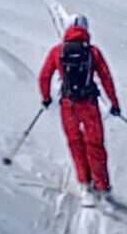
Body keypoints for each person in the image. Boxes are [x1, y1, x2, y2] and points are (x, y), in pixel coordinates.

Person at [37, 13, 121, 200]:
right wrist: (114, 103)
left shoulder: (57, 51)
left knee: (75, 143)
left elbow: (44, 76)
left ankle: (84, 182)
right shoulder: (93, 52)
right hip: (89, 105)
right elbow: (106, 78)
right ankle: (102, 187)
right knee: (95, 145)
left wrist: (46, 98)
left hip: (68, 105)